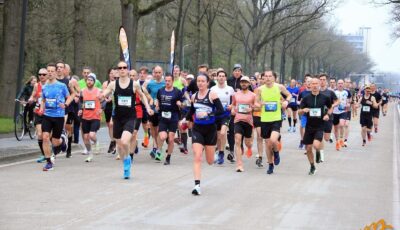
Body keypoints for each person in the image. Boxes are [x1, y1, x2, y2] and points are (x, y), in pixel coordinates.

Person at [102, 61, 153, 179]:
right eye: (120, 68)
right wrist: (102, 96)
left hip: (130, 117)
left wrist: (148, 107)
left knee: (125, 142)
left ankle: (128, 157)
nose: (122, 69)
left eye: (124, 67)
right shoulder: (113, 85)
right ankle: (125, 161)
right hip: (117, 118)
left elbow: (142, 95)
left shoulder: (134, 84)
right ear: (117, 71)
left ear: (128, 69)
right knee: (119, 146)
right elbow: (104, 93)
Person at [185, 73, 224, 195]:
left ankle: (216, 154)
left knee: (210, 161)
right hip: (197, 129)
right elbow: (192, 111)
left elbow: (221, 111)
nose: (200, 83)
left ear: (207, 83)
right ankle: (197, 185)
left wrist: (208, 114)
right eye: (198, 81)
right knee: (197, 156)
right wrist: (185, 119)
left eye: (203, 81)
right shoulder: (194, 96)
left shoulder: (212, 94)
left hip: (210, 130)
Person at [256, 70, 291, 175]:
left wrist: (286, 101)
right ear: (263, 78)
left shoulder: (279, 87)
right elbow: (256, 102)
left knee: (273, 139)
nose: (267, 78)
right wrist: (260, 104)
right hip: (265, 119)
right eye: (265, 76)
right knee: (267, 143)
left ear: (274, 78)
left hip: (276, 118)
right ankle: (270, 164)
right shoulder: (259, 89)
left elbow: (289, 95)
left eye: (270, 76)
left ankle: (276, 152)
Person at [40, 63, 72, 171]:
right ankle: (49, 162)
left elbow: (69, 97)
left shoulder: (61, 86)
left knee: (55, 142)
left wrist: (66, 104)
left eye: (52, 71)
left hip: (58, 116)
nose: (49, 73)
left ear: (55, 72)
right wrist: (41, 108)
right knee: (45, 137)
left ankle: (63, 141)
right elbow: (43, 100)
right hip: (47, 116)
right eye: (48, 71)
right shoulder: (44, 87)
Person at [298, 77, 332, 175]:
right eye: (312, 83)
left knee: (316, 145)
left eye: (316, 83)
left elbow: (330, 108)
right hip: (309, 126)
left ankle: (317, 152)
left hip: (320, 125)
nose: (314, 85)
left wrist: (327, 115)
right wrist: (303, 110)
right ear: (310, 85)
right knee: (308, 149)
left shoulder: (325, 97)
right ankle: (312, 166)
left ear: (319, 84)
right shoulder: (306, 98)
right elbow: (299, 111)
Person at [155, 74, 184, 165]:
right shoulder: (160, 91)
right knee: (163, 136)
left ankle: (168, 157)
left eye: (169, 81)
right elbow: (157, 100)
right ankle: (159, 149)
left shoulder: (177, 92)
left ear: (172, 81)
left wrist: (180, 104)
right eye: (166, 81)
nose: (167, 82)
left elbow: (184, 103)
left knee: (171, 139)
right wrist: (157, 105)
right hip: (163, 117)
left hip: (173, 117)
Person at [231, 76, 257, 172]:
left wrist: (252, 108)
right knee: (237, 141)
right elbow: (233, 104)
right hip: (238, 120)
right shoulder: (235, 94)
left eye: (245, 82)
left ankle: (249, 148)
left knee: (248, 142)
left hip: (248, 121)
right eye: (242, 82)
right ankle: (239, 165)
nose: (243, 84)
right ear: (240, 83)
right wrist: (233, 110)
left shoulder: (253, 95)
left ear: (249, 84)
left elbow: (257, 106)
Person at [211, 70, 234, 165]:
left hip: (226, 114)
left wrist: (231, 106)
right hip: (216, 114)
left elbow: (234, 101)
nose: (221, 77)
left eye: (223, 76)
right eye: (219, 76)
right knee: (218, 136)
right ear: (216, 77)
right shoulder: (213, 89)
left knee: (223, 133)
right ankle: (219, 151)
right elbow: (210, 101)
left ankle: (221, 153)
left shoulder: (230, 89)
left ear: (225, 78)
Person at [78, 74, 103, 162]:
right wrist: (80, 109)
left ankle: (96, 142)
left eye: (91, 80)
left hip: (95, 116)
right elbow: (80, 101)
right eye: (88, 80)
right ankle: (90, 154)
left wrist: (101, 108)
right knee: (85, 137)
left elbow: (106, 100)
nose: (89, 81)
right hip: (85, 117)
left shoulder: (98, 91)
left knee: (91, 135)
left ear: (94, 81)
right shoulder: (82, 91)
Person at [142, 66, 165, 158]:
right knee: (153, 129)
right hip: (152, 109)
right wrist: (150, 98)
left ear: (162, 73)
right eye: (156, 72)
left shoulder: (165, 82)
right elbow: (142, 89)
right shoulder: (150, 83)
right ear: (153, 73)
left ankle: (158, 148)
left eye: (159, 72)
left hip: (162, 109)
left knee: (159, 130)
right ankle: (155, 145)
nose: (157, 74)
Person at [317, 74, 338, 163]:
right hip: (318, 117)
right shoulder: (316, 91)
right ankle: (321, 155)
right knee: (320, 136)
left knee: (326, 138)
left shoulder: (330, 92)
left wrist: (332, 105)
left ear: (326, 81)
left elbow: (337, 101)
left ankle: (330, 135)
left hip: (328, 117)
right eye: (320, 79)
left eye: (324, 79)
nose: (322, 81)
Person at [28, 69, 48, 163]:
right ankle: (44, 154)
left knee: (47, 136)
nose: (42, 76)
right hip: (38, 111)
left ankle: (50, 151)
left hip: (49, 112)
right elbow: (33, 95)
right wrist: (31, 99)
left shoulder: (50, 85)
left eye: (44, 74)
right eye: (40, 74)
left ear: (47, 75)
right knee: (40, 134)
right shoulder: (37, 85)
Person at [332, 79, 350, 151]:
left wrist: (348, 103)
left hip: (343, 111)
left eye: (341, 83)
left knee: (342, 125)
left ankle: (342, 139)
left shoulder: (347, 92)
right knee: (336, 128)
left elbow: (349, 100)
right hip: (335, 112)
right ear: (337, 84)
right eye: (339, 83)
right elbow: (331, 100)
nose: (340, 84)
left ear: (343, 84)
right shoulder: (334, 92)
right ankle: (337, 142)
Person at [103, 68, 116, 154]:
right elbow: (104, 93)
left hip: (116, 105)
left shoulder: (118, 83)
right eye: (111, 73)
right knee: (109, 124)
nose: (112, 75)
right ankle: (112, 140)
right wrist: (106, 98)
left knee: (113, 123)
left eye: (114, 73)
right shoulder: (105, 83)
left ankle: (115, 143)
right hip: (108, 105)